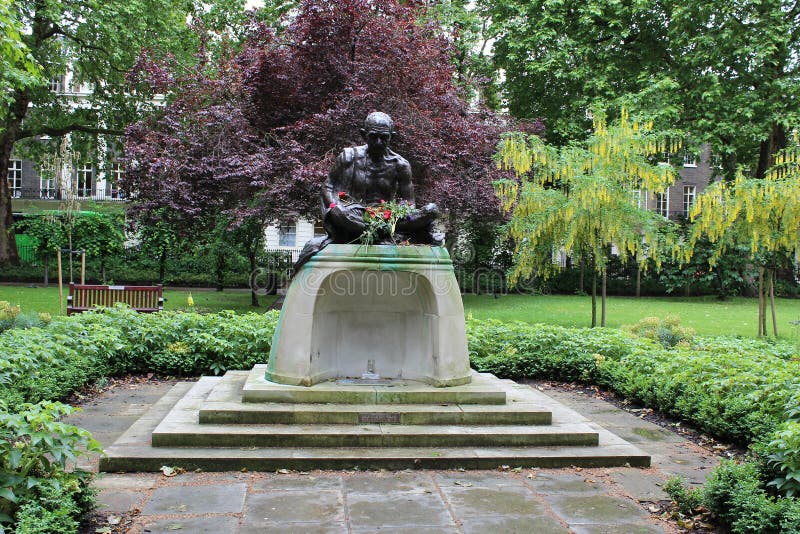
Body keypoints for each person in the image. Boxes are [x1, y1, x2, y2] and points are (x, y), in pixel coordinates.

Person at [295, 112, 442, 270]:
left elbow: (410, 204)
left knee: (431, 210)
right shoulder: (348, 157)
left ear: (392, 136)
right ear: (363, 135)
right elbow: (328, 186)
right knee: (340, 213)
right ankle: (378, 232)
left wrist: (395, 218)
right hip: (354, 214)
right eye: (373, 136)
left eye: (384, 137)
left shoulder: (401, 165)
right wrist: (333, 206)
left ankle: (378, 232)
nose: (379, 142)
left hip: (388, 219)